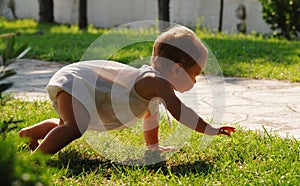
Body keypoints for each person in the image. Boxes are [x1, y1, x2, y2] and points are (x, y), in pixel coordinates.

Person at [19, 25, 235, 155]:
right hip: (77, 83)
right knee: (75, 127)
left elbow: (151, 119)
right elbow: (180, 111)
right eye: (195, 75)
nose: (195, 82)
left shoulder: (154, 86)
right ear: (177, 70)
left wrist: (153, 147)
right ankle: (37, 160)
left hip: (77, 84)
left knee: (64, 125)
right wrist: (210, 129)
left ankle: (28, 134)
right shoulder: (156, 82)